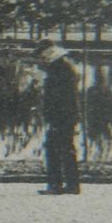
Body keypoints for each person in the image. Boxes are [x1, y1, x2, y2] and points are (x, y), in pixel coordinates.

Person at [34, 40, 80, 194]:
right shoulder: (63, 65)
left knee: (55, 149)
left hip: (61, 116)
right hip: (66, 115)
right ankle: (71, 185)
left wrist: (52, 116)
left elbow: (57, 96)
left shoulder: (59, 67)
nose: (41, 58)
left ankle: (56, 185)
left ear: (48, 52)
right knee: (65, 148)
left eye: (42, 55)